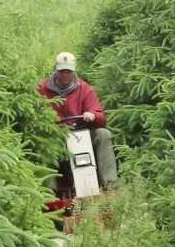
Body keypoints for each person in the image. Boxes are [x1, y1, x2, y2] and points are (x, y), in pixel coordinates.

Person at [37, 52, 118, 190]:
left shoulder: (84, 88)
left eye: (68, 71)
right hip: (56, 136)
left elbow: (99, 115)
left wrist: (92, 115)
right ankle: (49, 192)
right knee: (43, 144)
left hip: (82, 132)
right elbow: (36, 113)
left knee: (103, 134)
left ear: (73, 71)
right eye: (62, 71)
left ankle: (110, 184)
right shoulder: (42, 88)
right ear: (55, 70)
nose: (65, 75)